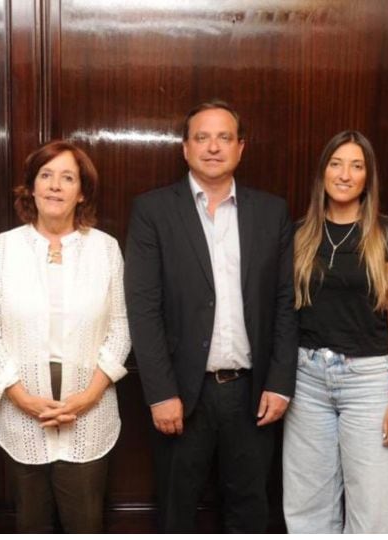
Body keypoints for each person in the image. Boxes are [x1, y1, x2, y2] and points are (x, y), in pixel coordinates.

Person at [124, 100, 297, 533]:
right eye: (202, 137)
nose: (213, 147)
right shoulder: (153, 211)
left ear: (241, 147)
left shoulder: (271, 212)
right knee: (176, 510)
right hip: (183, 392)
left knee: (250, 509)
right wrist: (160, 392)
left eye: (224, 138)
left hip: (251, 393)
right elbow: (142, 308)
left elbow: (284, 303)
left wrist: (279, 382)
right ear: (185, 148)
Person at [0, 140, 130, 533]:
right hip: (22, 407)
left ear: (81, 192)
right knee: (31, 524)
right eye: (46, 176)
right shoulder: (3, 247)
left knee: (84, 524)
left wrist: (89, 396)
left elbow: (121, 327)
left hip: (88, 408)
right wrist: (19, 396)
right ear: (31, 187)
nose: (55, 186)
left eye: (67, 178)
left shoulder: (105, 249)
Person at [282, 131, 388, 533]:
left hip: (369, 381)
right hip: (307, 379)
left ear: (367, 178)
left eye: (357, 166)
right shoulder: (299, 234)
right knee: (307, 506)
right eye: (336, 163)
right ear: (322, 172)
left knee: (371, 508)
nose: (345, 174)